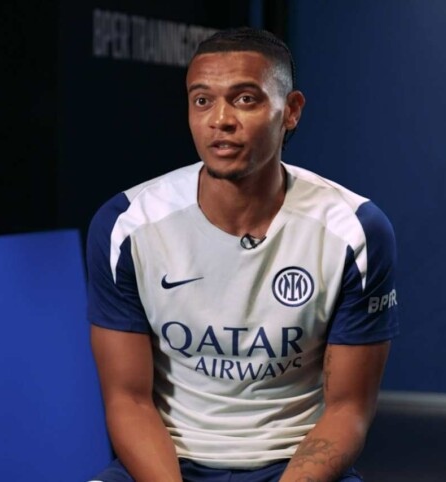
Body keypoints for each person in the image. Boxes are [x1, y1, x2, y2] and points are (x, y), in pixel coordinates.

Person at [86, 26, 400, 482]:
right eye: (202, 100)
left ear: (290, 111)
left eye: (245, 99)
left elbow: (348, 410)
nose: (220, 120)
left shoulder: (356, 230)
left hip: (293, 463)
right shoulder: (126, 225)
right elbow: (127, 400)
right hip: (167, 465)